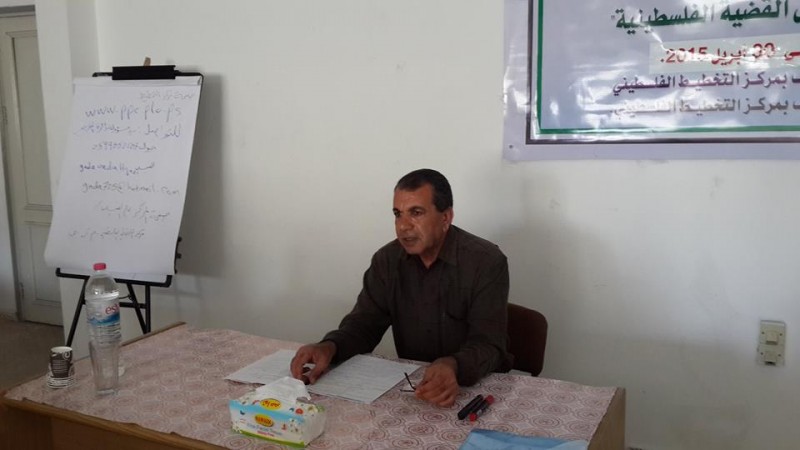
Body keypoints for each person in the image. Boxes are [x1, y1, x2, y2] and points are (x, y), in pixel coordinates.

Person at [290, 168, 512, 407]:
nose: (403, 226)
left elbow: (489, 345)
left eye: (416, 213)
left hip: (475, 392)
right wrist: (329, 347)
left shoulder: (485, 261)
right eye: (398, 214)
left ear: (446, 217)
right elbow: (363, 326)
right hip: (414, 389)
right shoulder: (387, 261)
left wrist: (453, 365)